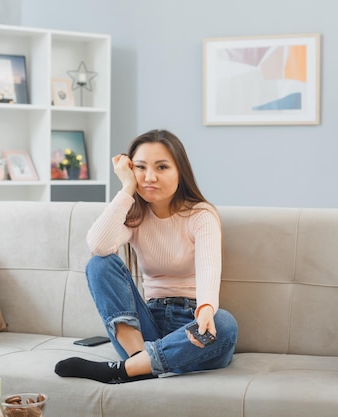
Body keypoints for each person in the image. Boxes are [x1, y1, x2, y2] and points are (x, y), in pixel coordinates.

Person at [54, 129, 238, 383]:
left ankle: (126, 370)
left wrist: (206, 310)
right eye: (140, 167)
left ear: (180, 172)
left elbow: (209, 269)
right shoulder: (135, 217)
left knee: (225, 324)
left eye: (162, 167)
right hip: (145, 327)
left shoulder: (201, 215)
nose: (149, 177)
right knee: (99, 264)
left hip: (192, 326)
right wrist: (127, 189)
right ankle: (140, 361)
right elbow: (98, 245)